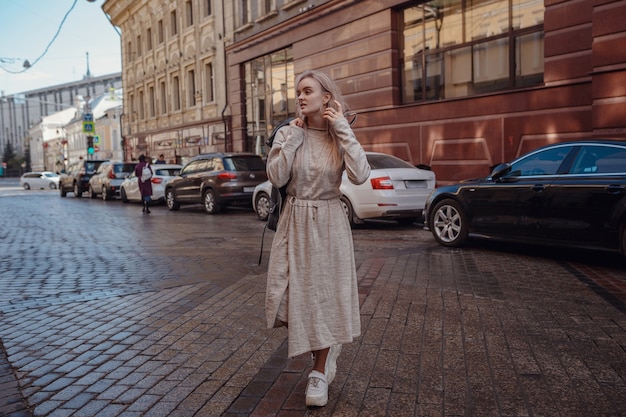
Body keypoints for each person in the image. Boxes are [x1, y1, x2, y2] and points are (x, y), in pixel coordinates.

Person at [265, 70, 370, 407]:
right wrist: (293, 140)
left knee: (323, 297)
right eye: (298, 91)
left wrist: (342, 128)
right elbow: (278, 175)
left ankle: (319, 371)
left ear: (326, 97)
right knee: (295, 297)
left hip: (329, 223)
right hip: (294, 222)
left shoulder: (338, 134)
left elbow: (361, 174)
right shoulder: (287, 133)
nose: (300, 96)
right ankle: (326, 352)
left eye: (307, 90)